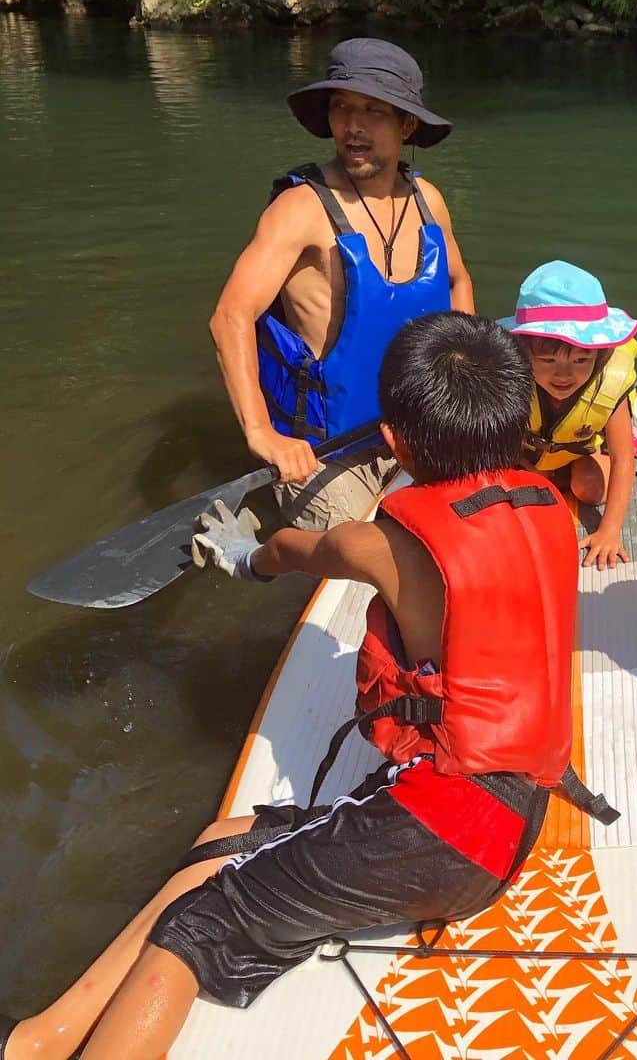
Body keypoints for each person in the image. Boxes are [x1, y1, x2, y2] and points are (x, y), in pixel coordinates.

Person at [0, 312, 578, 1060]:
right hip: (506, 819)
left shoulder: (378, 543)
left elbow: (285, 550)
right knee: (218, 844)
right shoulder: (551, 510)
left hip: (441, 833)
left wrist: (236, 553)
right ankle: (43, 1037)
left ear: (395, 445)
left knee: (199, 926)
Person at [210, 37, 474, 530]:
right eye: (341, 107)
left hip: (415, 430)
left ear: (407, 124)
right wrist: (263, 434)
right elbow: (230, 317)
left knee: (477, 514)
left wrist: (458, 389)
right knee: (371, 550)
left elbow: (458, 282)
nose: (353, 126)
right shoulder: (301, 209)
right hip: (325, 452)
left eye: (374, 111)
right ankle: (256, 553)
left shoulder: (428, 202)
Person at [499, 260, 637, 570]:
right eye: (548, 360)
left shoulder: (607, 382)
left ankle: (557, 475)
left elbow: (623, 458)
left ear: (600, 354)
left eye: (581, 360)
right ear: (522, 350)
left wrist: (609, 530)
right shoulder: (506, 375)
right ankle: (544, 474)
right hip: (524, 453)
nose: (564, 375)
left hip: (578, 454)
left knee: (589, 488)